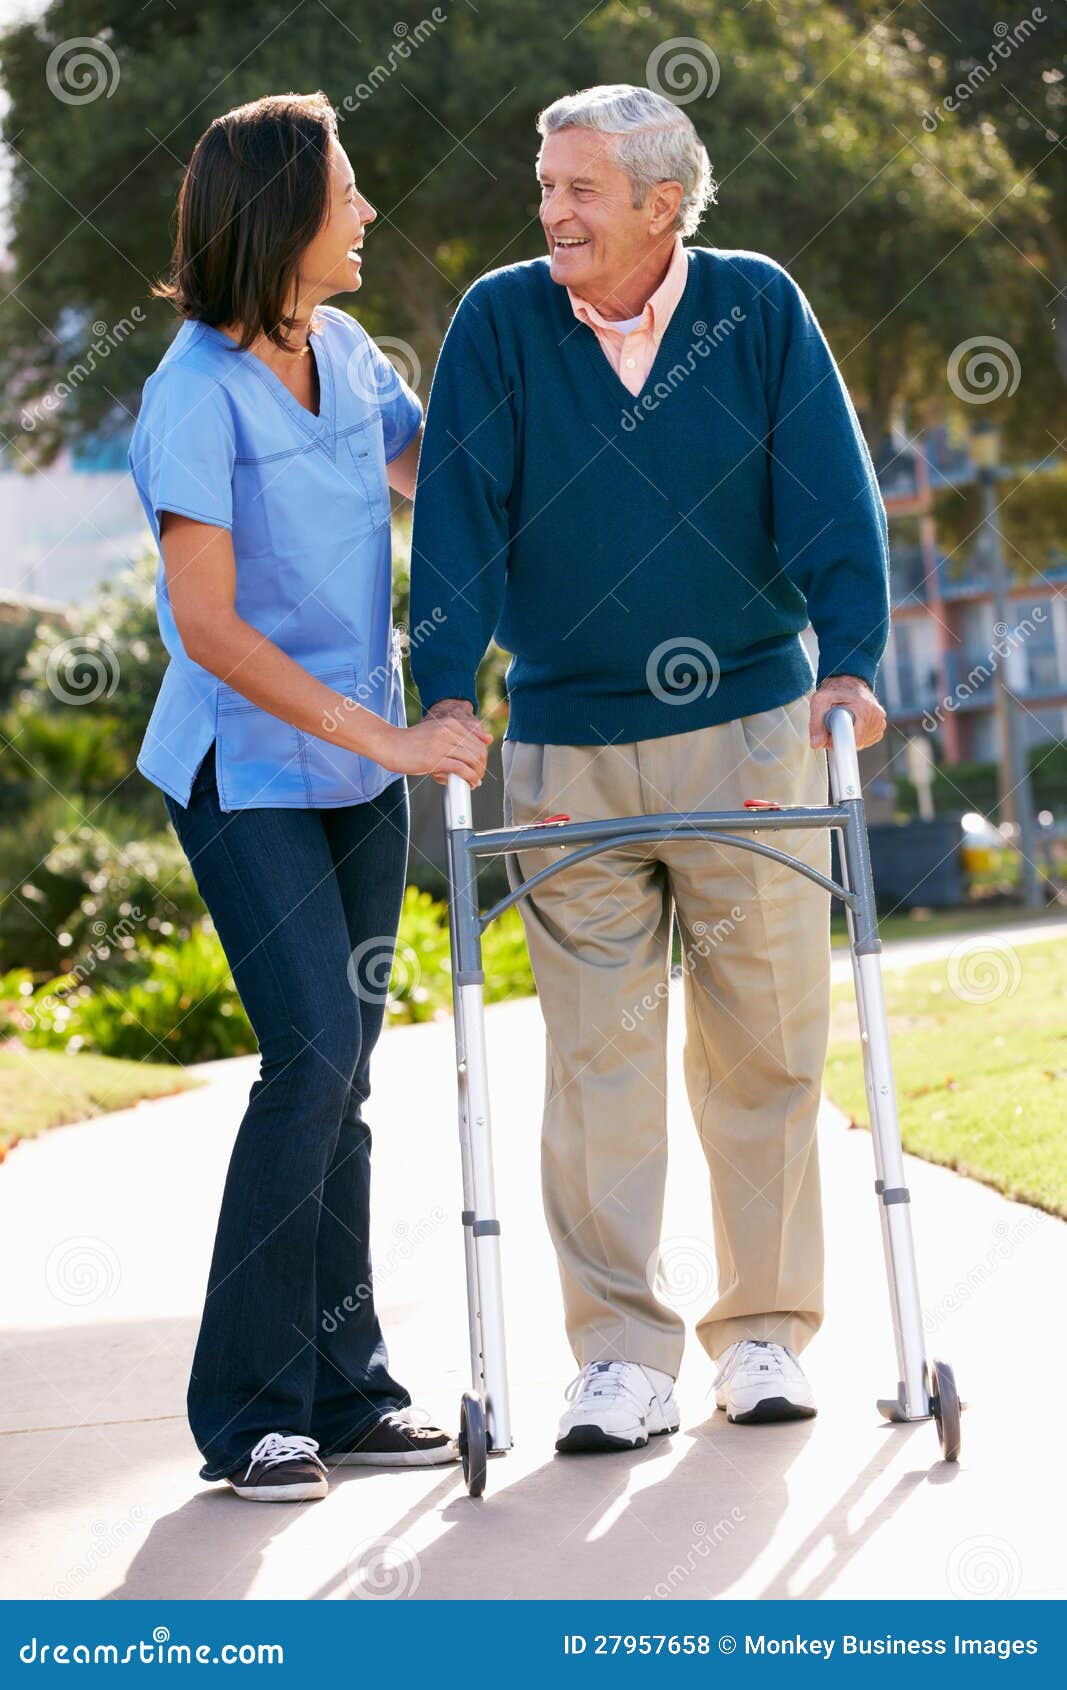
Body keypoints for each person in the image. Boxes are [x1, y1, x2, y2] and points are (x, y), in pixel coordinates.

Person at [409, 84, 889, 1454]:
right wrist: (448, 690)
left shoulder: (756, 307)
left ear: (662, 203)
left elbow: (830, 490)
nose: (550, 212)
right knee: (594, 1059)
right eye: (545, 187)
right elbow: (454, 511)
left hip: (754, 726)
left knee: (768, 1044)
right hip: (565, 730)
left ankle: (768, 1337)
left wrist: (851, 657)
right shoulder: (501, 321)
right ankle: (619, 1357)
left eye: (579, 191)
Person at [129, 90, 491, 1502]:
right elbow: (208, 626)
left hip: (356, 774)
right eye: (346, 190)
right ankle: (246, 1413)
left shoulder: (344, 349)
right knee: (310, 1060)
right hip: (246, 773)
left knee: (346, 1078)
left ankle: (346, 1390)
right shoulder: (189, 395)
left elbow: (441, 473)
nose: (367, 211)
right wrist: (397, 741)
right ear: (284, 212)